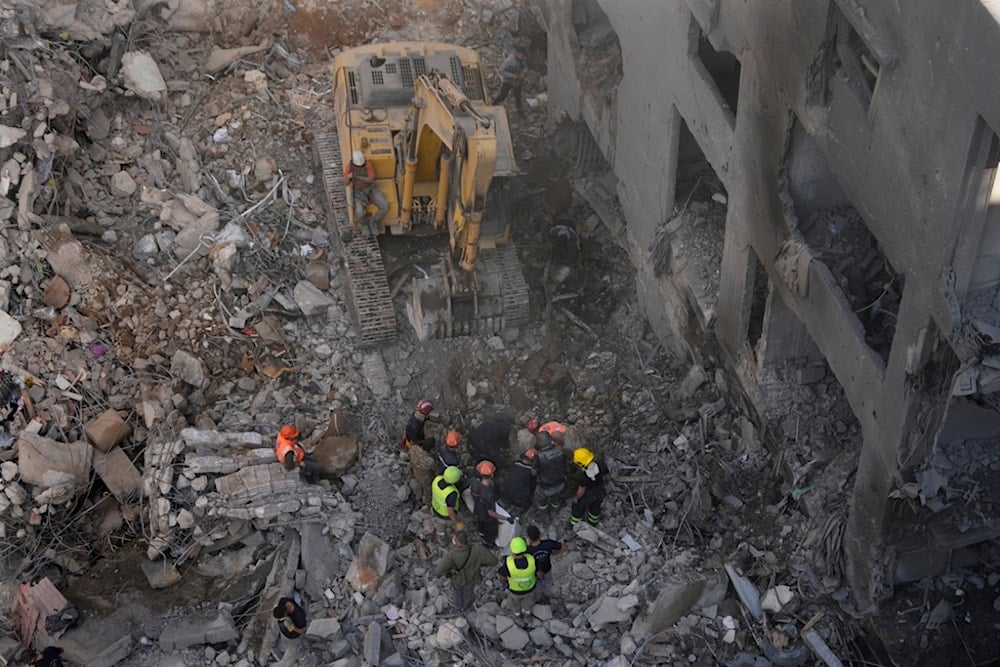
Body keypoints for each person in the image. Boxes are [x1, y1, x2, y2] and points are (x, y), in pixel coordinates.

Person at [432, 529, 498, 611]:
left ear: (458, 543)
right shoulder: (478, 550)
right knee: (469, 592)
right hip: (472, 578)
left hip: (458, 580)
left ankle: (458, 606)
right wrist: (479, 564)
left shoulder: (451, 555)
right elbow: (494, 561)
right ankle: (466, 606)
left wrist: (449, 571)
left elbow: (438, 570)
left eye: (455, 540)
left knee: (457, 593)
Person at [343, 149, 389, 235]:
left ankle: (373, 221)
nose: (360, 167)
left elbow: (371, 179)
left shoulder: (368, 164)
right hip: (357, 193)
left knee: (385, 205)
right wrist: (348, 177)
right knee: (359, 212)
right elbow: (345, 183)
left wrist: (357, 177)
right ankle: (365, 225)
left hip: (370, 189)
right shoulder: (349, 167)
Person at [470, 460, 507, 547]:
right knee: (490, 532)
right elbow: (490, 512)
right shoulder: (488, 494)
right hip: (487, 518)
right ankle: (488, 543)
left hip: (478, 510)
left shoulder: (475, 483)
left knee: (481, 525)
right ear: (492, 475)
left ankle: (481, 533)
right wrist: (504, 518)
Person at [569, 447, 609, 527]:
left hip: (588, 495)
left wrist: (576, 498)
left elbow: (581, 491)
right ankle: (593, 522)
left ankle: (574, 524)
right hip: (600, 491)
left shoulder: (582, 476)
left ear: (581, 464)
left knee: (578, 508)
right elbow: (608, 476)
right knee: (595, 508)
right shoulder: (601, 465)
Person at [499, 536, 537, 619]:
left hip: (515, 592)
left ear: (512, 550)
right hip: (530, 589)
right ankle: (527, 616)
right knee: (527, 605)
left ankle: (518, 617)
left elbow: (502, 577)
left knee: (515, 606)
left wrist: (502, 583)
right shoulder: (532, 560)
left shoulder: (509, 564)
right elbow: (538, 572)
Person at [533, 432, 567, 511]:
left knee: (541, 499)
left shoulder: (540, 456)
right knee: (557, 498)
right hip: (560, 482)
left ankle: (543, 510)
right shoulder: (561, 450)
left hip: (546, 486)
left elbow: (533, 472)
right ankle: (556, 507)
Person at [492, 47, 527, 116]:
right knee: (503, 95)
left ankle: (520, 111)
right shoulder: (509, 61)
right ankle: (493, 105)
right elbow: (501, 70)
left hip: (517, 81)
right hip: (508, 81)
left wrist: (523, 73)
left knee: (518, 96)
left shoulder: (523, 58)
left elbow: (525, 66)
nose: (521, 57)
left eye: (522, 56)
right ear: (516, 53)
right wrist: (512, 76)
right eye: (520, 56)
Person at [498, 448, 537, 512]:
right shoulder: (530, 472)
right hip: (518, 498)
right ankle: (523, 508)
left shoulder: (516, 464)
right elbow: (532, 487)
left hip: (504, 492)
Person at [273, 597, 308, 665]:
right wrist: (301, 631)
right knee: (297, 647)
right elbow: (293, 629)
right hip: (292, 638)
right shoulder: (286, 621)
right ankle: (303, 659)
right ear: (284, 614)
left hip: (285, 635)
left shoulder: (280, 621)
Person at [431, 466, 465, 532]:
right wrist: (457, 522)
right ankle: (457, 537)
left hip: (435, 509)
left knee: (440, 530)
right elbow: (451, 513)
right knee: (461, 525)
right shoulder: (451, 494)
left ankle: (442, 538)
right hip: (446, 517)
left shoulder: (437, 479)